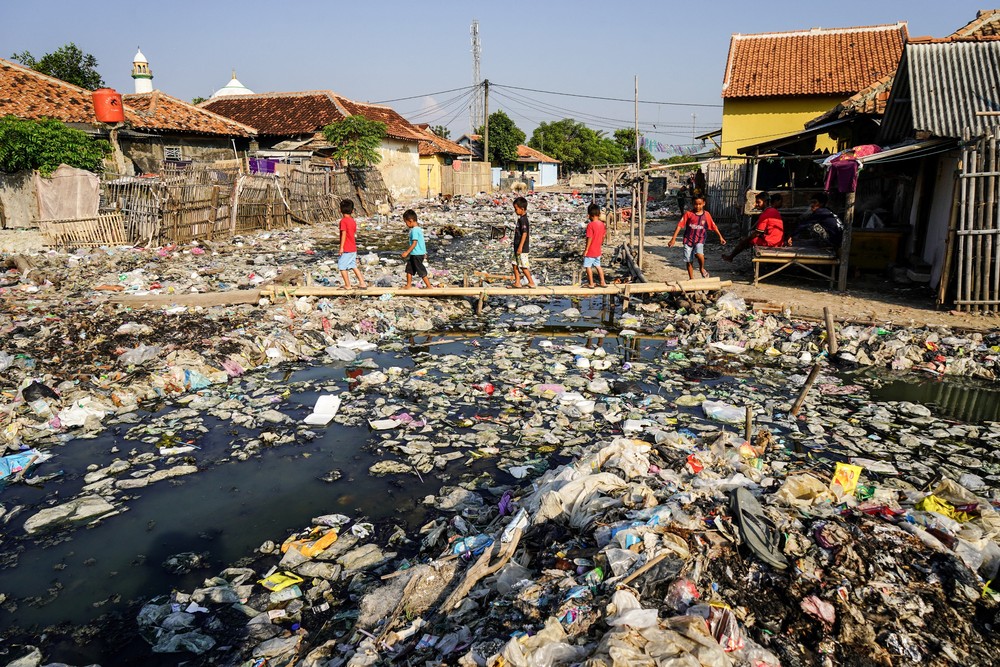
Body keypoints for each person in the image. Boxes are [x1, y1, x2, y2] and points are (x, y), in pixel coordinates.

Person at [668, 195, 726, 279]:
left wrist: (720, 237)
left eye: (700, 204)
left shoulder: (706, 215)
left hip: (700, 239)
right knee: (688, 260)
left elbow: (714, 226)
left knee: (699, 254)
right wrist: (673, 239)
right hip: (688, 239)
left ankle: (701, 268)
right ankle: (691, 278)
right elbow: (679, 226)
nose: (697, 206)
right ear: (692, 204)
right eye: (695, 204)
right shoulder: (688, 214)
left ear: (704, 204)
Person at [722, 192, 784, 262]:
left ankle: (731, 257)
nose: (756, 205)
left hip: (771, 242)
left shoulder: (766, 214)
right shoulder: (774, 211)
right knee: (749, 238)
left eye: (758, 202)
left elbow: (758, 233)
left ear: (765, 202)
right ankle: (731, 257)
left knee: (746, 241)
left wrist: (747, 239)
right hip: (777, 241)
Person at [337, 199, 367, 290]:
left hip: (346, 248)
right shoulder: (352, 221)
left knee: (342, 266)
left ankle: (347, 285)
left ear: (340, 210)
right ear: (352, 210)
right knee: (353, 265)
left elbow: (344, 234)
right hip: (353, 247)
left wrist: (341, 247)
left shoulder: (343, 221)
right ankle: (362, 283)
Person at [401, 209, 433, 289]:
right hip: (416, 254)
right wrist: (424, 252)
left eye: (406, 222)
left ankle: (429, 286)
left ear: (410, 221)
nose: (406, 224)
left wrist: (407, 252)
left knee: (420, 270)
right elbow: (422, 242)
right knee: (409, 269)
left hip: (417, 254)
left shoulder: (415, 230)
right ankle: (408, 285)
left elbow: (415, 243)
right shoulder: (418, 229)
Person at [510, 196, 536, 288]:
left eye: (516, 209)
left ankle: (531, 282)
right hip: (517, 246)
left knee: (523, 266)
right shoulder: (520, 218)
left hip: (522, 248)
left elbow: (524, 234)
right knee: (514, 264)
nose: (515, 211)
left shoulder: (524, 220)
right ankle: (517, 282)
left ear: (522, 209)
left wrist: (520, 247)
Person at [582, 203, 607, 288]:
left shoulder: (590, 225)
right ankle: (603, 282)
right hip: (598, 249)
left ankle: (591, 283)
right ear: (599, 214)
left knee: (588, 266)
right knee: (598, 266)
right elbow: (603, 236)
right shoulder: (602, 224)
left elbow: (589, 238)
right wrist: (600, 244)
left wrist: (586, 250)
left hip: (591, 250)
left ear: (589, 215)